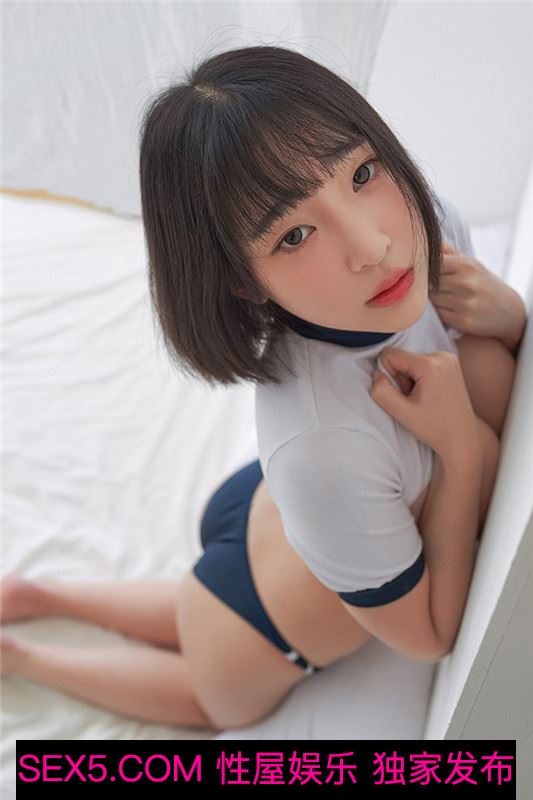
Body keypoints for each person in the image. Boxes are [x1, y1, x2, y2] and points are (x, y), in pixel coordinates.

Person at [1, 45, 526, 733]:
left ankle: (38, 595)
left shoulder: (424, 222)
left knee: (195, 600)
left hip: (289, 511)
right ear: (241, 280)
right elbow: (428, 635)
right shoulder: (323, 443)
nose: (372, 245)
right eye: (295, 234)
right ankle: (20, 654)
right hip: (260, 620)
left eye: (361, 172)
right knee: (207, 698)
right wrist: (458, 449)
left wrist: (510, 315)